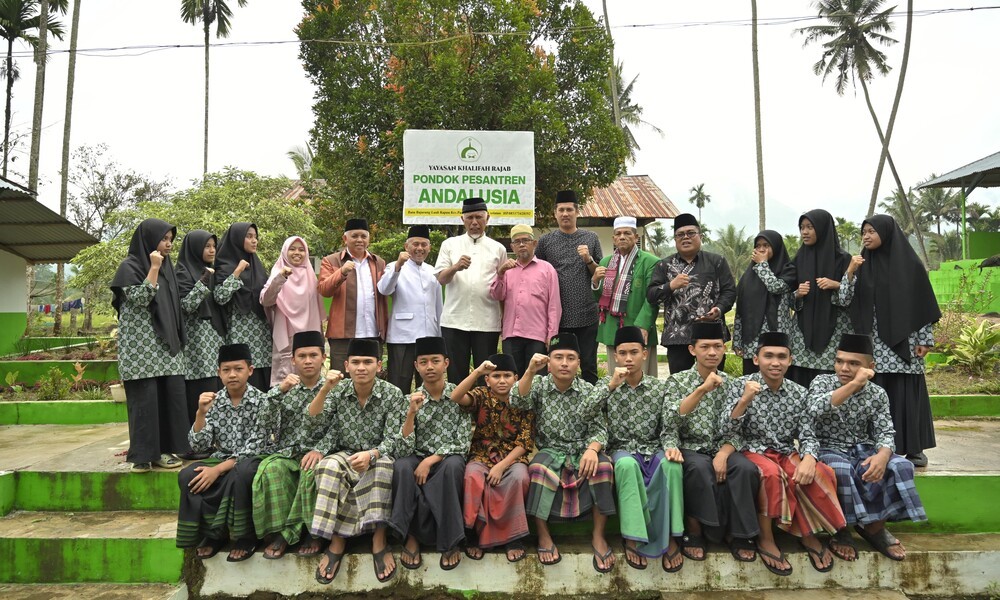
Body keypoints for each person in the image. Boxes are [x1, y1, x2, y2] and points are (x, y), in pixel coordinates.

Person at [723, 332, 848, 576]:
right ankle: (766, 538)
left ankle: (808, 533)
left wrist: (809, 458)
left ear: (790, 360)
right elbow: (727, 429)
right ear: (756, 359)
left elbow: (808, 433)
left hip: (785, 451)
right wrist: (745, 400)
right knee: (771, 475)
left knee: (819, 473)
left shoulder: (799, 393)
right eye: (768, 356)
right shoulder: (741, 385)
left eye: (781, 357)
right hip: (750, 449)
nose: (775, 362)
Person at [809, 333, 927, 562]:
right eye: (839, 361)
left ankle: (874, 528)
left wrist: (883, 455)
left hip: (864, 449)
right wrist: (854, 384)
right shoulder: (822, 382)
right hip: (828, 448)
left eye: (854, 363)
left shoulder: (877, 394)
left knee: (901, 466)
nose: (844, 368)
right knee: (841, 470)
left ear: (870, 367)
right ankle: (841, 529)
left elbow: (885, 431)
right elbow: (815, 409)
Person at [510, 334, 617, 573]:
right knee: (537, 469)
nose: (565, 363)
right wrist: (530, 371)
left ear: (579, 362)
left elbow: (599, 428)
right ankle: (543, 535)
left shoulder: (587, 390)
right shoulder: (539, 386)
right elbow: (517, 401)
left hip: (582, 449)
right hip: (551, 450)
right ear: (549, 363)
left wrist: (592, 449)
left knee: (603, 467)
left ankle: (598, 535)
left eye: (571, 358)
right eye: (558, 357)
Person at [307, 338, 406, 585]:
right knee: (328, 467)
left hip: (378, 454)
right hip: (346, 453)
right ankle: (336, 540)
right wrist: (324, 389)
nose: (361, 367)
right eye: (356, 362)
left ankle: (378, 539)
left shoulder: (392, 394)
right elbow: (315, 422)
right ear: (347, 365)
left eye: (368, 362)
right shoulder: (337, 390)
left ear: (379, 365)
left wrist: (372, 454)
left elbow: (394, 438)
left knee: (384, 468)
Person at [662, 321, 761, 567]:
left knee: (745, 469)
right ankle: (696, 530)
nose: (712, 352)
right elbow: (671, 421)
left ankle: (739, 533)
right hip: (690, 447)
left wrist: (724, 454)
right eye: (705, 347)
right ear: (692, 350)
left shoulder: (732, 384)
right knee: (698, 468)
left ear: (724, 349)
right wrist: (702, 390)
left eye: (717, 346)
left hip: (722, 447)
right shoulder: (677, 382)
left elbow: (738, 429)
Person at [849, 214, 941, 467]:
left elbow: (922, 305)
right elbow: (846, 300)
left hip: (905, 342)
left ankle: (914, 447)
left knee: (906, 393)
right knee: (876, 393)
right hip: (873, 344)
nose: (866, 236)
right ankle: (873, 446)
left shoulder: (910, 265)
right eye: (864, 232)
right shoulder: (862, 265)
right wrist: (850, 272)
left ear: (886, 232)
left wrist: (925, 339)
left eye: (871, 231)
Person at [595, 326, 683, 571]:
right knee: (625, 465)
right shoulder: (606, 386)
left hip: (652, 448)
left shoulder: (660, 388)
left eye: (634, 352)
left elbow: (669, 425)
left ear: (644, 354)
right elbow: (586, 414)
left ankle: (671, 536)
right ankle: (632, 537)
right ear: (615, 356)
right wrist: (610, 386)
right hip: (621, 448)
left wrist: (671, 447)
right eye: (622, 353)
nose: (628, 359)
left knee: (672, 466)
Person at [176, 343, 268, 562]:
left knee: (240, 474)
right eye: (226, 370)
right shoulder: (214, 402)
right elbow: (199, 446)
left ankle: (246, 536)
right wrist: (200, 413)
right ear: (219, 373)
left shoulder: (263, 401)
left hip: (253, 458)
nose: (232, 374)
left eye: (238, 369)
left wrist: (217, 470)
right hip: (222, 457)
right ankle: (213, 534)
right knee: (187, 475)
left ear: (250, 370)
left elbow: (257, 445)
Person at [110, 218, 188, 473]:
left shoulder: (168, 269)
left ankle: (164, 451)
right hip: (141, 351)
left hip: (166, 349)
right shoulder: (130, 267)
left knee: (167, 400)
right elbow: (142, 298)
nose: (168, 244)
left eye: (170, 240)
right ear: (149, 240)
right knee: (144, 403)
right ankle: (142, 456)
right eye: (164, 239)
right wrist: (154, 267)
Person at [390, 336, 472, 571]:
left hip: (448, 457)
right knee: (401, 467)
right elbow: (403, 448)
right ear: (416, 366)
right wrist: (411, 414)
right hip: (417, 455)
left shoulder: (459, 396)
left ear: (446, 363)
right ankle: (410, 536)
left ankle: (450, 540)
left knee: (453, 467)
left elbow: (463, 442)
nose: (429, 367)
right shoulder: (410, 399)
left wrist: (431, 460)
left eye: (435, 361)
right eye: (423, 362)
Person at [449, 353, 535, 562]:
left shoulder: (524, 399)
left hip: (512, 457)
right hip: (481, 454)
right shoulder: (481, 395)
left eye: (507, 376)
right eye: (496, 376)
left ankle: (513, 538)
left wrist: (501, 467)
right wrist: (478, 371)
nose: (502, 380)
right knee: (472, 476)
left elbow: (525, 442)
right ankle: (473, 532)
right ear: (487, 380)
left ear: (516, 378)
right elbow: (456, 397)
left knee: (519, 478)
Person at [252, 331, 329, 559]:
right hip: (289, 453)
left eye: (313, 355)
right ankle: (280, 531)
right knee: (270, 469)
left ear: (323, 358)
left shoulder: (334, 388)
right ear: (293, 360)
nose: (308, 361)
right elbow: (263, 422)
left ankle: (312, 533)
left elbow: (340, 426)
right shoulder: (285, 389)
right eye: (302, 356)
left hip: (322, 452)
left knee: (311, 471)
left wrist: (321, 449)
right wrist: (279, 391)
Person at [647, 213, 736, 375]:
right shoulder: (664, 265)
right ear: (675, 239)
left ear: (700, 236)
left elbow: (729, 291)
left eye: (691, 233)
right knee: (681, 385)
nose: (686, 237)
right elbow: (651, 295)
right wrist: (670, 285)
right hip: (677, 336)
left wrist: (719, 309)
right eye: (680, 234)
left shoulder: (717, 262)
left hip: (711, 335)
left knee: (713, 382)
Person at [434, 197, 507, 383]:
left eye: (479, 217)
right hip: (454, 320)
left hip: (487, 321)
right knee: (456, 375)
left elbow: (502, 286)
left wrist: (504, 318)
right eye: (470, 218)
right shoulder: (450, 244)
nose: (474, 222)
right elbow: (441, 279)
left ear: (487, 218)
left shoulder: (498, 248)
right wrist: (455, 267)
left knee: (486, 375)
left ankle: (483, 404)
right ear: (462, 219)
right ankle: (457, 403)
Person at [786, 209, 861, 388]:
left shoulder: (843, 259)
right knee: (800, 379)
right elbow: (786, 298)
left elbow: (852, 298)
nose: (804, 232)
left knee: (832, 382)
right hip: (802, 333)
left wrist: (837, 284)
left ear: (822, 229)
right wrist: (797, 294)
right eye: (802, 227)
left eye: (810, 227)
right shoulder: (799, 259)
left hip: (835, 331)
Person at [535, 190, 603, 384]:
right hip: (558, 317)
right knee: (558, 366)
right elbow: (537, 272)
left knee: (588, 364)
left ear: (577, 212)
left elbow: (599, 273)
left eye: (569, 210)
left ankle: (591, 400)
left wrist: (588, 259)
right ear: (555, 213)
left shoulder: (591, 238)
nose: (565, 214)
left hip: (587, 314)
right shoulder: (546, 241)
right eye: (561, 210)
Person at [378, 224, 443, 392]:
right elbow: (384, 289)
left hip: (429, 335)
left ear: (429, 248)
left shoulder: (433, 271)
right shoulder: (394, 266)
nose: (420, 248)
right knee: (399, 382)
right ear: (406, 246)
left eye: (424, 244)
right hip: (403, 335)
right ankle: (398, 410)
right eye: (416, 244)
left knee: (428, 384)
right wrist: (398, 266)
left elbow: (438, 306)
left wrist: (439, 336)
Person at [592, 216, 661, 376]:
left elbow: (652, 298)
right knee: (616, 378)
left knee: (643, 379)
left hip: (639, 328)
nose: (622, 237)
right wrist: (595, 281)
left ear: (636, 237)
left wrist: (643, 326)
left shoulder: (651, 262)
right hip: (613, 330)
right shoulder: (606, 262)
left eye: (627, 233)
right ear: (614, 239)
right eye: (618, 234)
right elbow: (600, 299)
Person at [489, 224, 561, 376]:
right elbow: (497, 296)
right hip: (511, 335)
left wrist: (551, 335)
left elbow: (554, 306)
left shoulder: (547, 269)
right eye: (517, 242)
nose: (521, 245)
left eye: (525, 240)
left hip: (537, 335)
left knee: (536, 380)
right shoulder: (506, 271)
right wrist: (500, 274)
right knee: (512, 378)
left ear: (534, 243)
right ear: (512, 247)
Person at [318, 218, 388, 372]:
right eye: (354, 236)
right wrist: (341, 272)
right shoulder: (331, 261)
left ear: (369, 239)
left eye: (363, 236)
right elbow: (324, 290)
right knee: (341, 378)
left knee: (369, 378)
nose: (359, 240)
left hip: (373, 332)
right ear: (345, 238)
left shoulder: (378, 262)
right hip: (343, 334)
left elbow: (386, 290)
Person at [175, 229, 226, 435]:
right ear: (195, 248)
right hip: (196, 346)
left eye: (214, 246)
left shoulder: (212, 271)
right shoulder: (183, 273)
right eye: (207, 246)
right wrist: (203, 280)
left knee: (216, 390)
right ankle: (197, 438)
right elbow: (187, 306)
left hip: (213, 343)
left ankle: (216, 438)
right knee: (200, 392)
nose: (212, 250)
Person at [214, 222, 273, 390]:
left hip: (262, 339)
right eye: (249, 237)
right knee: (243, 382)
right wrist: (237, 272)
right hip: (239, 336)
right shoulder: (225, 266)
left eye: (255, 237)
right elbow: (220, 297)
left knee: (264, 385)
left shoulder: (257, 266)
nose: (254, 241)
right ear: (237, 239)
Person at [260, 236, 324, 386]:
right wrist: (281, 277)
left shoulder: (310, 275)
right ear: (284, 252)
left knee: (310, 375)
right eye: (292, 249)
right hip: (286, 330)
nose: (297, 253)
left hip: (309, 331)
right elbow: (266, 300)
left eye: (301, 250)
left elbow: (316, 307)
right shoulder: (278, 272)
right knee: (286, 378)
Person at [733, 230, 797, 375]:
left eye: (766, 245)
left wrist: (762, 264)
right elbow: (741, 309)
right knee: (752, 381)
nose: (761, 249)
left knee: (777, 377)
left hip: (779, 338)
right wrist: (737, 340)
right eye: (758, 246)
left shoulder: (788, 271)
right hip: (752, 341)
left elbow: (775, 287)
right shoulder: (748, 276)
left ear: (776, 247)